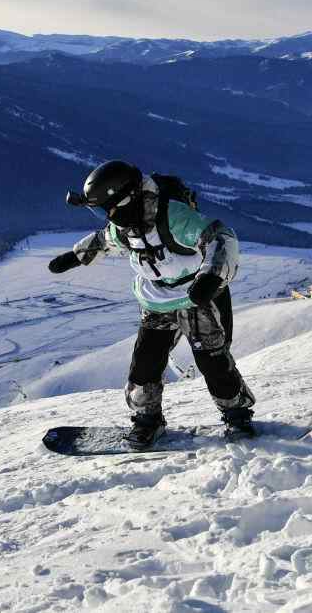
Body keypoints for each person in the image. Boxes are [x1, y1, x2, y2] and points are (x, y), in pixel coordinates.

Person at [48, 160, 255, 448]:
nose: (108, 216)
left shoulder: (172, 217)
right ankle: (147, 420)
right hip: (157, 299)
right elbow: (105, 239)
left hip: (196, 296)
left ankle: (237, 416)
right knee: (146, 362)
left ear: (128, 199)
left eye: (109, 208)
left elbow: (220, 237)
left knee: (212, 360)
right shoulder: (126, 224)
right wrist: (76, 256)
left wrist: (210, 277)